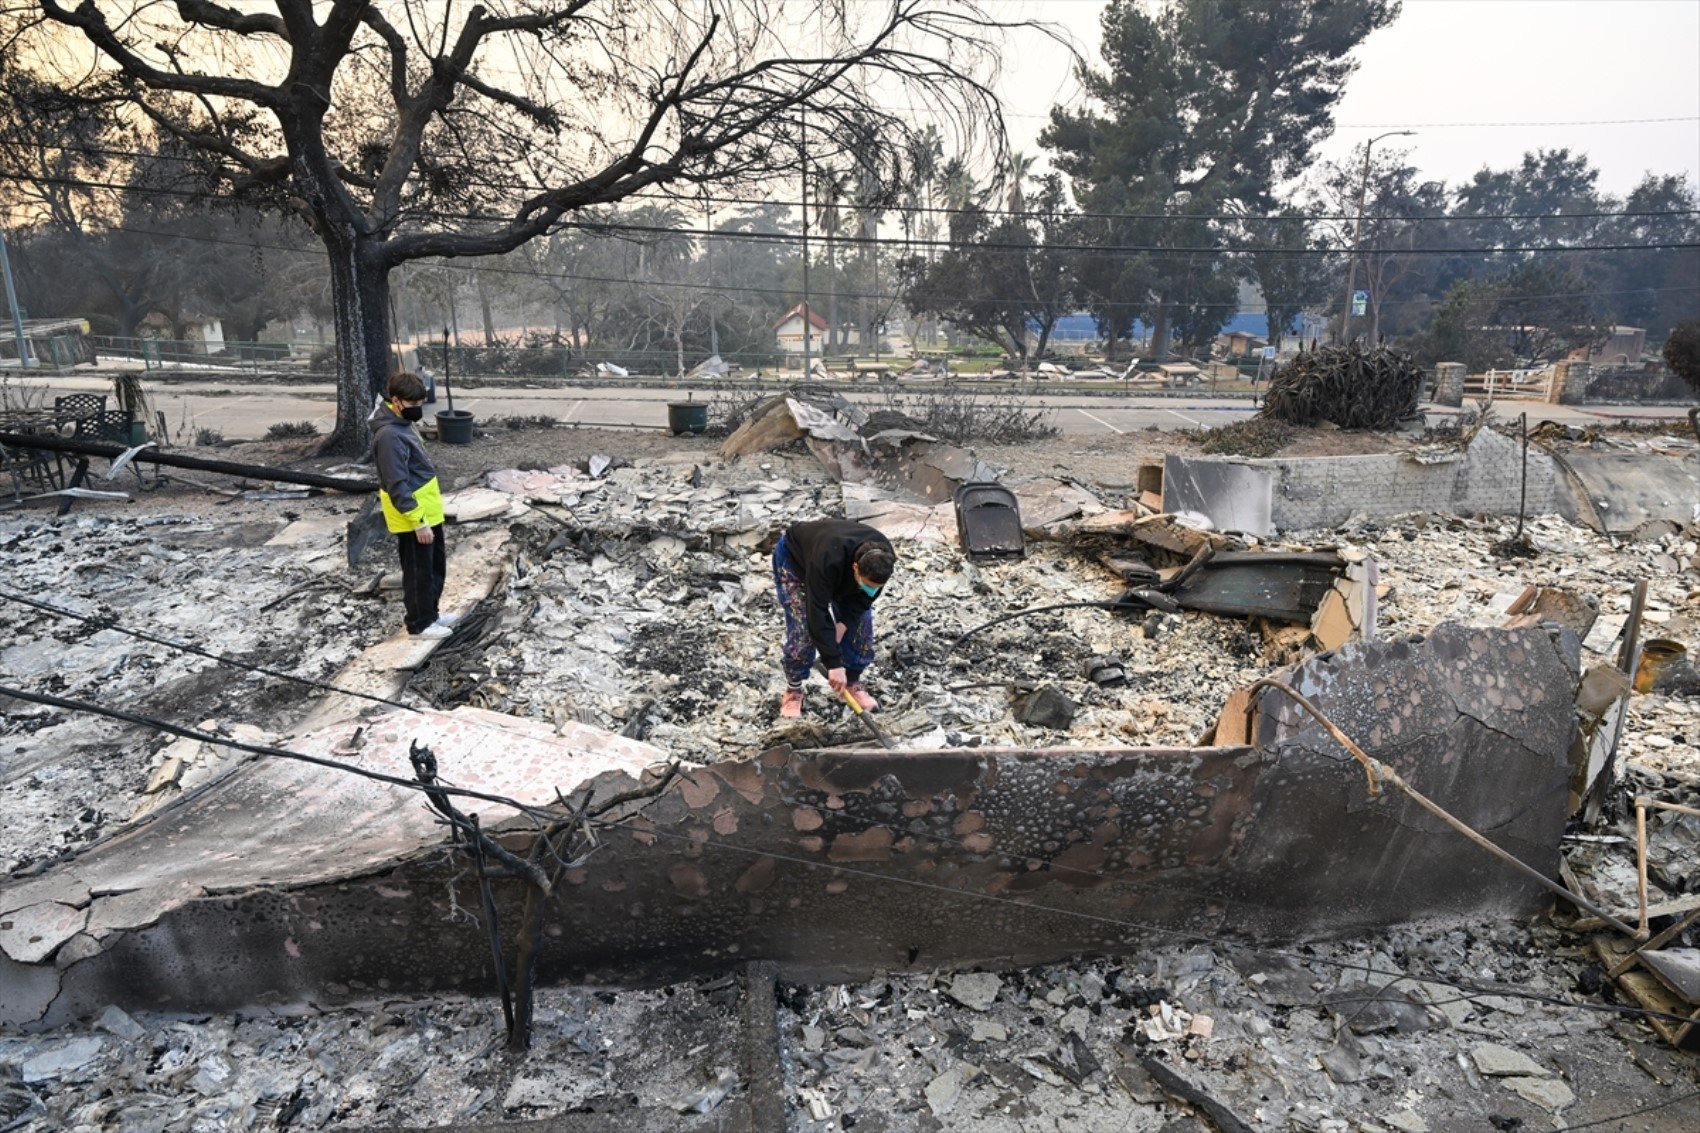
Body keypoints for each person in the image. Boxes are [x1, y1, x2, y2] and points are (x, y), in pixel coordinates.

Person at [772, 518, 896, 719]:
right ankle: (793, 690)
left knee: (860, 627)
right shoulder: (827, 559)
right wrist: (833, 664)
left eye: (876, 587)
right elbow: (817, 610)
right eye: (867, 584)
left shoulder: (883, 558)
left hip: (841, 568)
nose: (872, 591)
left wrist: (843, 624)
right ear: (855, 567)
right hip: (796, 561)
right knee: (802, 631)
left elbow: (864, 600)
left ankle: (853, 681)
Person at [370, 371, 457, 639]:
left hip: (427, 512)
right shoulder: (389, 436)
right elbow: (396, 483)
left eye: (421, 404)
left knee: (434, 566)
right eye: (413, 405)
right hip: (414, 516)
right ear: (396, 401)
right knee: (419, 570)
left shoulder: (400, 424)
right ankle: (419, 624)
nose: (418, 410)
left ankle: (431, 613)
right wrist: (418, 521)